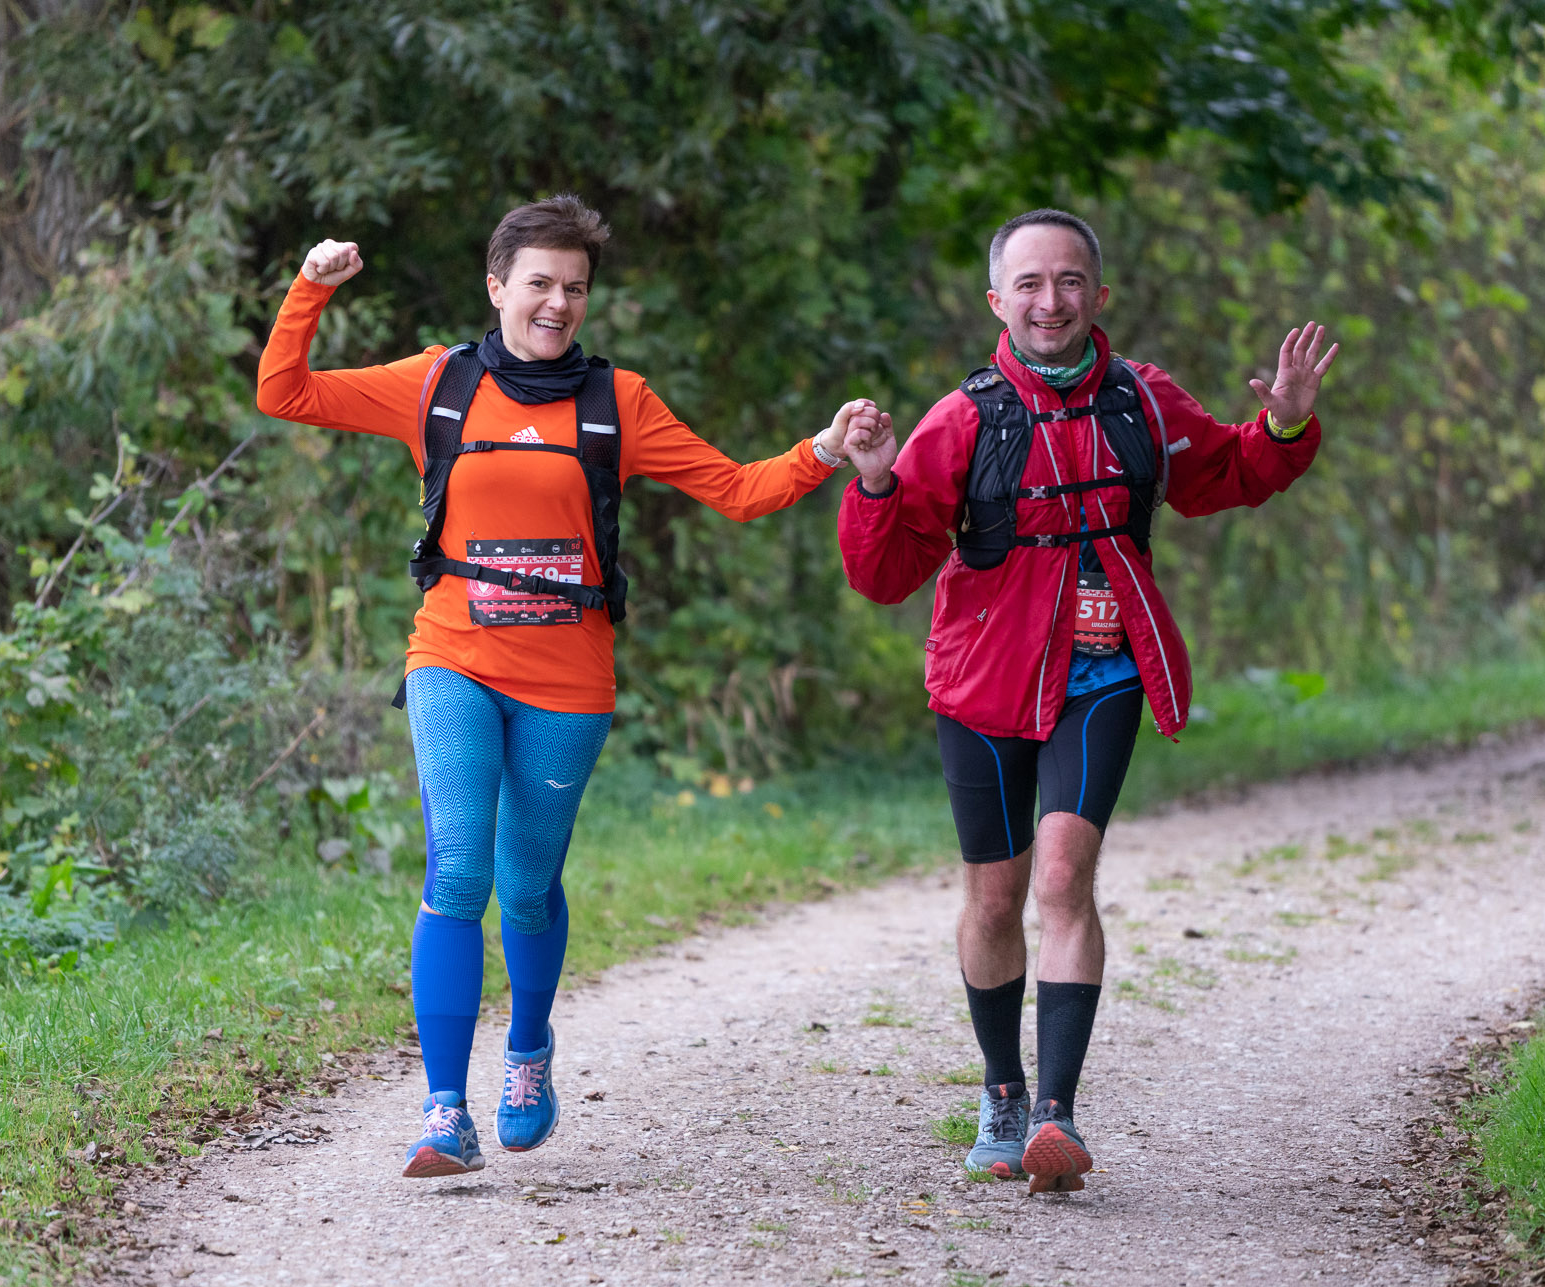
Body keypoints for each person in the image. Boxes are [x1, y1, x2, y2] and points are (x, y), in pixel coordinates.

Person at [257, 194, 881, 1177]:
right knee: (458, 870)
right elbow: (283, 393)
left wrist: (823, 451)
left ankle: (529, 1049)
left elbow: (735, 489)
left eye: (574, 288)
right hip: (451, 655)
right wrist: (310, 288)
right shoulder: (435, 386)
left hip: (568, 680)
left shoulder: (615, 401)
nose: (556, 303)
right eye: (538, 283)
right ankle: (442, 1110)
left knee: (528, 885)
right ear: (497, 285)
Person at [837, 208, 1337, 1193]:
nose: (1049, 300)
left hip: (1098, 675)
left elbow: (1225, 472)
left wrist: (1282, 420)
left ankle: (1055, 1118)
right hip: (979, 684)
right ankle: (1002, 1092)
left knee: (1062, 878)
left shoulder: (1141, 402)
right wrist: (874, 483)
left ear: (1097, 295)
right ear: (996, 302)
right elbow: (885, 574)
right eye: (1027, 284)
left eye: (1067, 281)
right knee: (994, 897)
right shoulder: (962, 420)